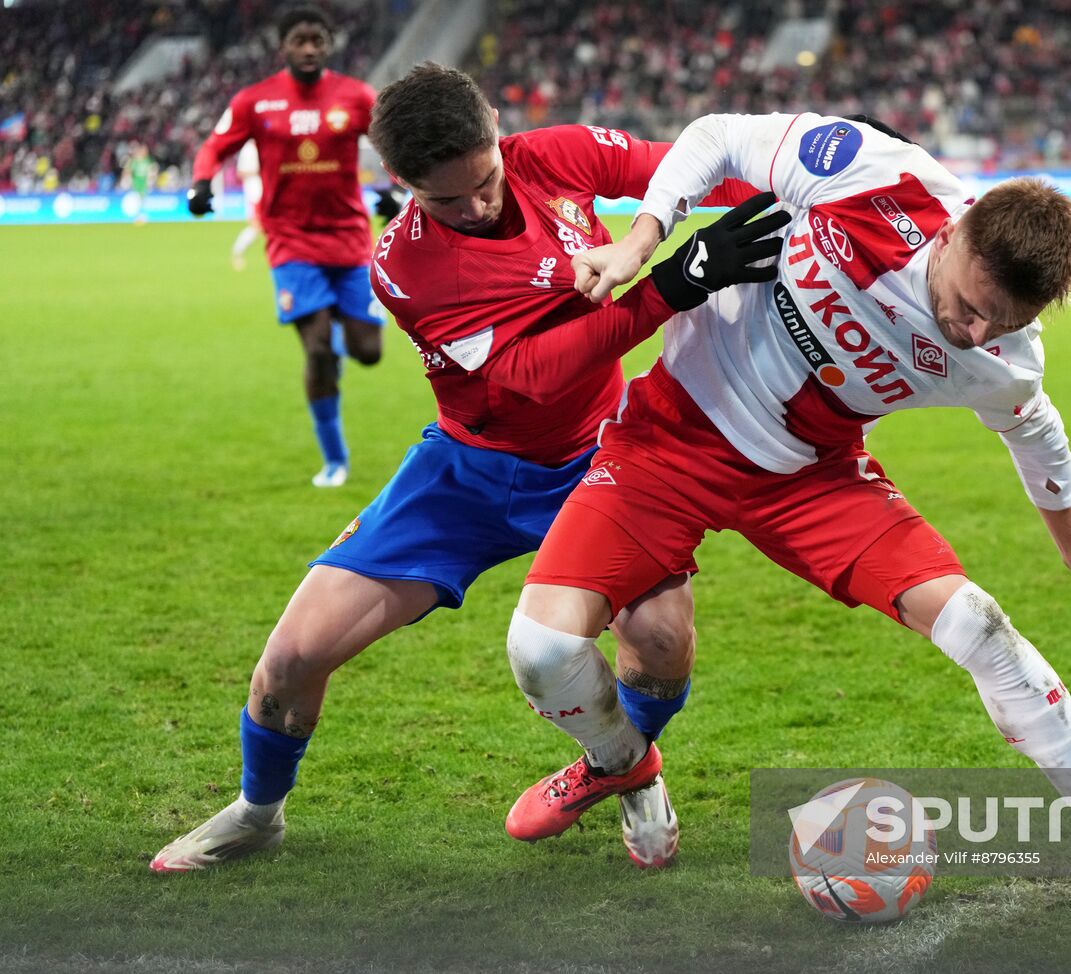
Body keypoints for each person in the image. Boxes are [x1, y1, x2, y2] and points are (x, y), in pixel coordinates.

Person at [501, 112, 1071, 923]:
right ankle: (621, 764)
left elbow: (1037, 433)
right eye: (970, 305)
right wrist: (639, 243)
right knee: (542, 649)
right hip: (669, 437)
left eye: (996, 324)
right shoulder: (875, 176)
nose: (971, 332)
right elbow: (715, 139)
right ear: (952, 236)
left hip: (811, 477)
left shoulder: (1005, 361)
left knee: (981, 626)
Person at [148, 64, 778, 875]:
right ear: (403, 185)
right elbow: (534, 375)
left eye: (485, 180)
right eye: (449, 199)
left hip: (598, 458)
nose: (478, 205)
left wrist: (825, 177)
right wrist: (673, 285)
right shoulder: (405, 269)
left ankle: (618, 766)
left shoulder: (557, 155)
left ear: (495, 133)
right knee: (291, 660)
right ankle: (257, 811)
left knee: (662, 638)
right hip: (467, 473)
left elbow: (685, 168)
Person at [186, 6, 385, 488]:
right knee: (317, 353)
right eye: (300, 40)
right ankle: (335, 459)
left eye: (318, 39)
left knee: (369, 352)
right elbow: (214, 146)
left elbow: (393, 141)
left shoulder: (356, 96)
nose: (310, 48)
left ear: (329, 44)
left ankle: (339, 328)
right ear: (284, 46)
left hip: (350, 239)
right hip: (290, 243)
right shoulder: (257, 101)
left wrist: (397, 185)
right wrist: (202, 183)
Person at [229, 140, 263, 271]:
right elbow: (241, 172)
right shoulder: (248, 149)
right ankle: (237, 252)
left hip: (262, 191)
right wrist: (259, 170)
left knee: (263, 226)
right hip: (255, 192)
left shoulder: (259, 145)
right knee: (257, 226)